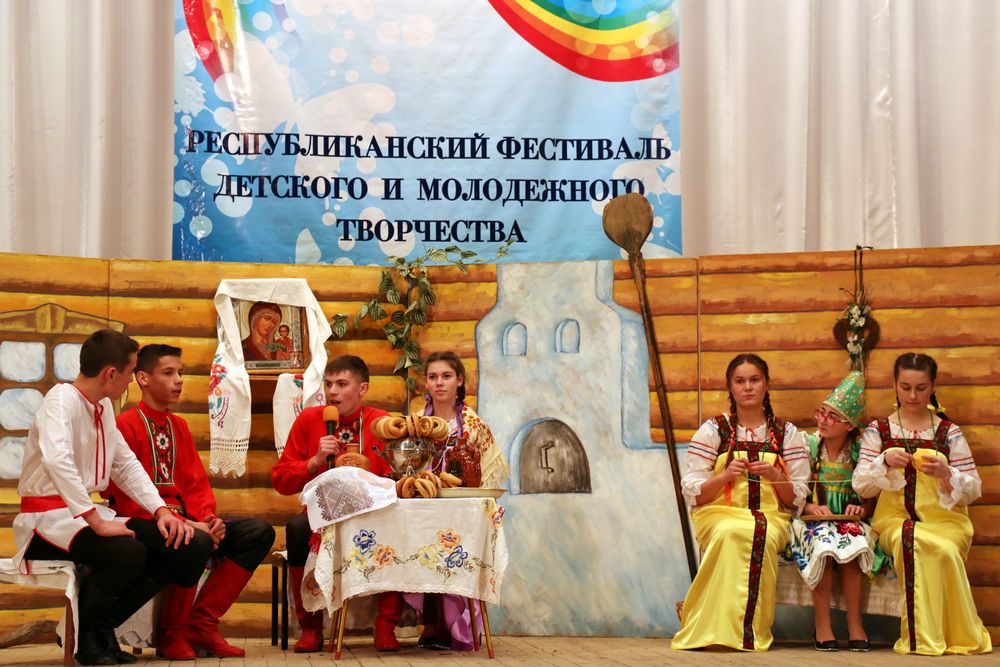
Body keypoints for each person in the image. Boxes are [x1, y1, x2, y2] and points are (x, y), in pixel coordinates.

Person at [12, 330, 213, 666]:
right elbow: (57, 461)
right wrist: (96, 522)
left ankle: (103, 625)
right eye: (130, 373)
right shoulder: (59, 402)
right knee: (127, 552)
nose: (130, 382)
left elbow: (125, 465)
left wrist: (161, 511)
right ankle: (86, 639)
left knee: (188, 544)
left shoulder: (103, 407)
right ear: (110, 374)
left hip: (84, 517)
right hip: (45, 523)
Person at [105, 344, 275, 659]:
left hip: (188, 521)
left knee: (257, 532)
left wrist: (209, 520)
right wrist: (190, 526)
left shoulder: (178, 426)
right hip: (146, 522)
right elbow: (124, 493)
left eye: (180, 373)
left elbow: (195, 484)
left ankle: (201, 624)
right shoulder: (124, 425)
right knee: (194, 540)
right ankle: (172, 633)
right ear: (143, 378)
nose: (179, 380)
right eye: (168, 373)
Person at [853, 353, 992, 655]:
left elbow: (973, 489)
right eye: (905, 387)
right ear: (894, 385)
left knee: (942, 547)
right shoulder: (879, 431)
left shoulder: (948, 432)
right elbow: (860, 484)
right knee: (912, 537)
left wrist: (946, 473)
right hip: (894, 521)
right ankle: (924, 638)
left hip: (947, 523)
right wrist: (883, 462)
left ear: (933, 386)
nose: (913, 396)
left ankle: (953, 634)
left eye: (921, 387)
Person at [671, 353, 810, 651]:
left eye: (754, 380)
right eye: (740, 381)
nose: (748, 387)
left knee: (758, 531)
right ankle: (714, 626)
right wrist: (724, 476)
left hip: (772, 518)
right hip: (718, 515)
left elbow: (795, 499)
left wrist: (775, 475)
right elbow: (695, 493)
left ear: (766, 384)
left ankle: (740, 630)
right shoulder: (713, 430)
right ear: (730, 387)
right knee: (730, 531)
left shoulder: (785, 433)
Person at [271, 355, 399, 652]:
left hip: (372, 512)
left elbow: (395, 475)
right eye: (328, 384)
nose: (333, 392)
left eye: (342, 384)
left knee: (395, 526)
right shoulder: (310, 420)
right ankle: (310, 627)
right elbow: (280, 480)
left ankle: (386, 626)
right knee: (297, 529)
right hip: (321, 515)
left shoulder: (382, 421)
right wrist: (314, 462)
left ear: (363, 388)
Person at [408, 351, 510, 650]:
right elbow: (407, 466)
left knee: (458, 555)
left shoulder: (474, 425)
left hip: (461, 507)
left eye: (446, 376)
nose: (439, 383)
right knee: (423, 552)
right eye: (433, 377)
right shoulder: (417, 423)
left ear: (460, 381)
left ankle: (457, 625)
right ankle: (433, 623)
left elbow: (487, 470)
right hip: (425, 506)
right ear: (426, 383)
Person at [787, 370, 887, 652]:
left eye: (833, 416)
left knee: (852, 543)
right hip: (811, 520)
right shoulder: (808, 446)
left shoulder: (859, 452)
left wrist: (861, 508)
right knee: (823, 544)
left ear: (850, 425)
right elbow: (794, 489)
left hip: (846, 521)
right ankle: (822, 625)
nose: (823, 420)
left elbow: (871, 497)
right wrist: (808, 505)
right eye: (822, 413)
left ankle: (855, 624)